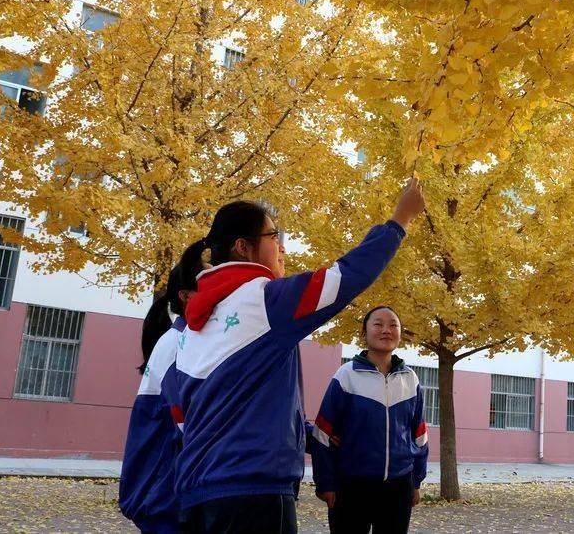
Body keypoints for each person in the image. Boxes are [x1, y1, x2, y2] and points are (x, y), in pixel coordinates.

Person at [175, 178, 425, 534]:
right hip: (253, 495)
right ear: (244, 247)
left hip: (197, 494)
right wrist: (400, 220)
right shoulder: (264, 302)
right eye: (274, 236)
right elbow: (346, 276)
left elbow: (185, 416)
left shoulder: (194, 326)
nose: (282, 248)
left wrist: (299, 432)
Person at [310, 306, 429, 534]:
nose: (386, 330)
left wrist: (416, 481)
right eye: (378, 324)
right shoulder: (346, 376)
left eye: (393, 325)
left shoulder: (410, 379)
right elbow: (322, 434)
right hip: (351, 486)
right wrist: (325, 482)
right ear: (364, 333)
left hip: (398, 486)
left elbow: (420, 435)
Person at [119, 264, 197, 533]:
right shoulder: (179, 346)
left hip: (169, 497)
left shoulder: (183, 342)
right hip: (167, 501)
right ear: (186, 296)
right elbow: (188, 426)